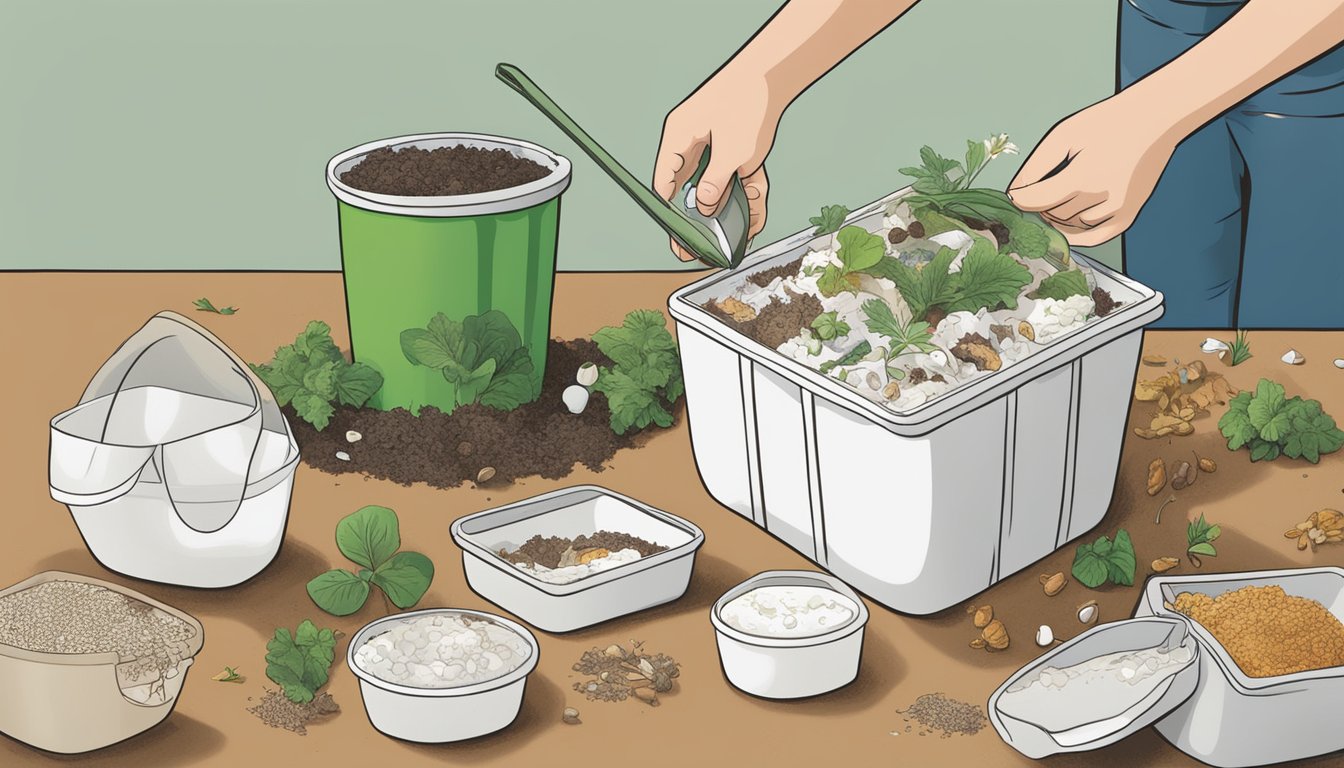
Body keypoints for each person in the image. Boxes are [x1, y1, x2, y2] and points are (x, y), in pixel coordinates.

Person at [653, 0, 1344, 329]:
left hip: (1317, 45)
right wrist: (763, 77)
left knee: (1308, 351)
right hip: (1164, 21)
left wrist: (1152, 115)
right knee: (1178, 341)